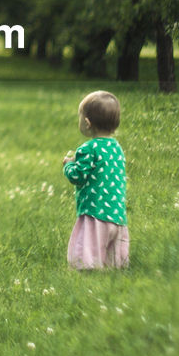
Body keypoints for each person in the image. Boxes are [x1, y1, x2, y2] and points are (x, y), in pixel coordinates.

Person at [62, 90, 129, 270]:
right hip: (116, 213)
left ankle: (87, 270)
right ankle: (115, 267)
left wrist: (68, 165)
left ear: (87, 123)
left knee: (88, 254)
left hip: (95, 211)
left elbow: (78, 176)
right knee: (112, 259)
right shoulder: (116, 148)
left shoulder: (88, 148)